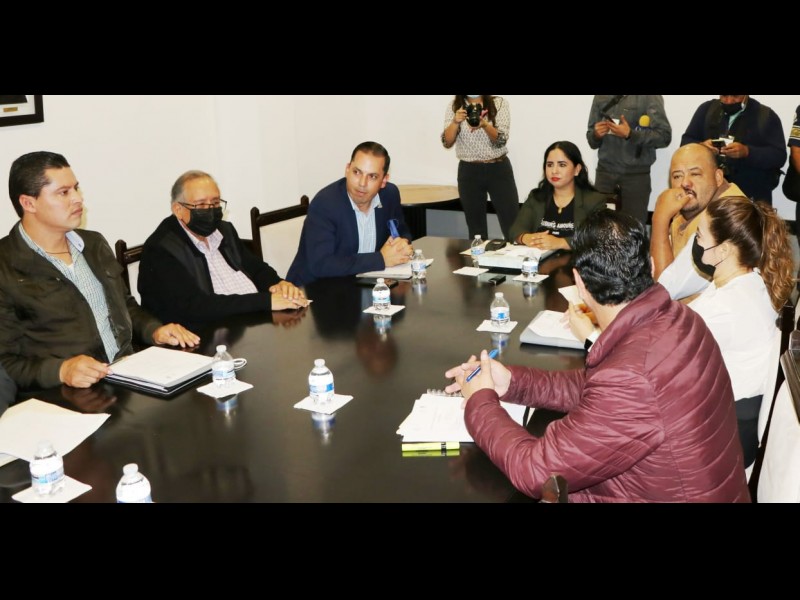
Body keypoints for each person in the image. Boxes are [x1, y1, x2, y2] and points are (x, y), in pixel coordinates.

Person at [444, 209, 749, 503]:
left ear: (579, 283)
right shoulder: (679, 318)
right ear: (651, 265)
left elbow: (537, 473)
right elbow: (599, 391)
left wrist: (480, 401)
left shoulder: (632, 376)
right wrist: (513, 382)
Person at [0, 151, 199, 391]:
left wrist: (154, 330)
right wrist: (61, 370)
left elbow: (125, 306)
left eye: (76, 188)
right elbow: (5, 363)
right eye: (64, 192)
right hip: (65, 394)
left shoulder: (93, 244)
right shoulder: (6, 265)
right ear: (28, 203)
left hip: (127, 375)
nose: (78, 199)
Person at [688, 195, 794, 468]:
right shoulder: (752, 280)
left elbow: (663, 353)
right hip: (737, 422)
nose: (695, 242)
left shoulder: (725, 308)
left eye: (699, 236)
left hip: (723, 434)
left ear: (723, 250)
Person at [138, 170, 307, 329]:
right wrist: (266, 301)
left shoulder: (225, 231)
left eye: (215, 203)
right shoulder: (161, 249)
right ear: (178, 210)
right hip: (206, 333)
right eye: (201, 204)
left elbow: (256, 269)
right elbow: (196, 306)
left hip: (251, 322)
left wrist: (278, 284)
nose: (210, 210)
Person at [286, 141, 413, 287]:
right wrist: (381, 259)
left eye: (372, 176)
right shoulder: (325, 204)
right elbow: (321, 264)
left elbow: (401, 230)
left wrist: (402, 244)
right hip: (311, 290)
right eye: (357, 172)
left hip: (359, 285)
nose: (362, 183)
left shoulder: (389, 195)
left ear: (384, 180)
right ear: (347, 169)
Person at [650, 143, 744, 299]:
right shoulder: (694, 207)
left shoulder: (724, 219)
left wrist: (659, 219)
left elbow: (662, 292)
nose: (685, 183)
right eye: (677, 176)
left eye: (695, 174)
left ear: (718, 177)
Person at [681, 95, 786, 204]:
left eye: (735, 96)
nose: (729, 101)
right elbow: (685, 143)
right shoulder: (706, 110)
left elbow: (779, 156)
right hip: (708, 196)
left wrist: (747, 152)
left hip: (751, 198)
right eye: (724, 96)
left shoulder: (766, 116)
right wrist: (701, 147)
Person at [441, 95, 520, 241]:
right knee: (476, 228)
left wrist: (484, 125)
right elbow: (447, 142)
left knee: (512, 224)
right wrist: (455, 122)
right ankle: (479, 255)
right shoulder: (455, 106)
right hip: (469, 171)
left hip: (498, 168)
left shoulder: (498, 103)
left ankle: (516, 253)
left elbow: (501, 140)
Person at [586, 95, 672, 225]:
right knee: (600, 228)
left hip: (636, 178)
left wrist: (630, 134)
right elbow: (592, 141)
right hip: (604, 176)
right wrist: (595, 135)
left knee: (633, 229)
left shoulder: (649, 97)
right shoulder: (600, 97)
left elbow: (664, 137)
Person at [509, 141, 608, 251]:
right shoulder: (536, 197)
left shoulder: (594, 200)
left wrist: (561, 243)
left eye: (562, 165)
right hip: (540, 259)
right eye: (550, 165)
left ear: (577, 169)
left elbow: (598, 237)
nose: (554, 171)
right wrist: (526, 238)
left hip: (577, 260)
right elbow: (515, 231)